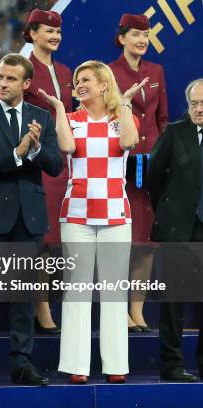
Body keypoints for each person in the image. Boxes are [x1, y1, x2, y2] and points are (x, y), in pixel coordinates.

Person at [41, 60, 145, 384]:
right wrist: (59, 107)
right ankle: (77, 365)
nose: (78, 84)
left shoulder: (123, 118)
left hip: (116, 214)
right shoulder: (70, 120)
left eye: (85, 79)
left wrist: (125, 103)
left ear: (104, 84)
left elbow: (128, 142)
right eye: (76, 80)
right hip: (77, 215)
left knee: (115, 292)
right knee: (77, 292)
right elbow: (66, 147)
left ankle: (116, 366)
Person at [0, 53, 62, 386]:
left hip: (29, 217)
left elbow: (54, 165)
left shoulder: (42, 118)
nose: (2, 83)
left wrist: (34, 149)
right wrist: (16, 154)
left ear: (26, 84)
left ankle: (23, 363)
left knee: (23, 296)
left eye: (9, 78)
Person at [109, 13, 169, 333]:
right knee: (122, 241)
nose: (142, 40)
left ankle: (138, 310)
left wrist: (165, 157)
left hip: (152, 168)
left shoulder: (156, 71)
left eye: (145, 35)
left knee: (145, 242)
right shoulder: (109, 72)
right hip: (122, 166)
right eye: (136, 34)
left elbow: (163, 120)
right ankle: (119, 309)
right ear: (122, 38)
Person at [148, 78, 203, 382]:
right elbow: (155, 177)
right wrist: (170, 212)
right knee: (172, 303)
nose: (198, 109)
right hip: (176, 228)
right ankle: (172, 365)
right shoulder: (175, 133)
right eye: (194, 103)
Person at [23, 8, 73, 336]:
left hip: (64, 164)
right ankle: (39, 307)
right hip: (37, 160)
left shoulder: (67, 70)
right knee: (40, 239)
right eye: (48, 31)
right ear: (33, 34)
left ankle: (49, 302)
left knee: (58, 241)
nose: (54, 36)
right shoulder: (24, 68)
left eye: (57, 31)